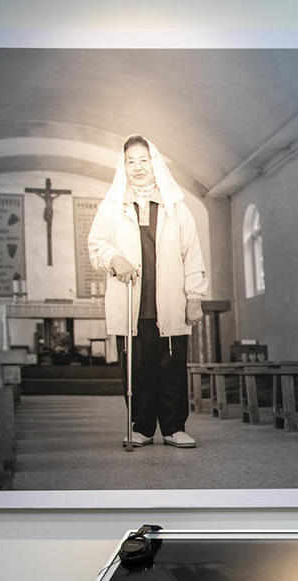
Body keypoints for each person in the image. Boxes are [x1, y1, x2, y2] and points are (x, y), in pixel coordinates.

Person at [87, 134, 208, 449]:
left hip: (168, 301)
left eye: (143, 160)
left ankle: (173, 427)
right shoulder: (112, 207)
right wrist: (115, 258)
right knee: (136, 368)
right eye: (131, 161)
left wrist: (194, 297)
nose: (138, 167)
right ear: (123, 166)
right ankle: (140, 427)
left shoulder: (176, 207)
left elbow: (192, 253)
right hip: (131, 303)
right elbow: (96, 245)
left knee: (171, 366)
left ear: (154, 164)